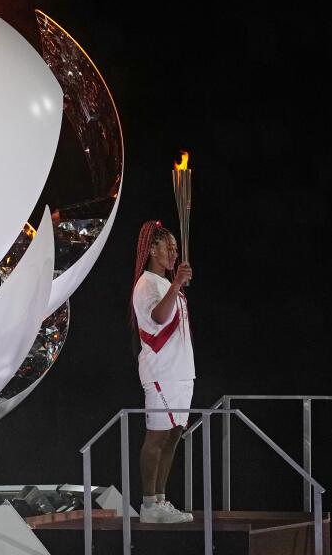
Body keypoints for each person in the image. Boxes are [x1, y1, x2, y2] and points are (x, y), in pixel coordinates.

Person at [131, 220, 195, 523]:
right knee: (157, 437)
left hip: (182, 372)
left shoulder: (168, 286)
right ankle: (147, 505)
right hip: (161, 373)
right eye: (168, 247)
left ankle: (160, 500)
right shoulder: (146, 284)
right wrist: (177, 283)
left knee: (173, 437)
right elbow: (158, 317)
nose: (173, 253)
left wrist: (175, 285)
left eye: (175, 248)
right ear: (152, 249)